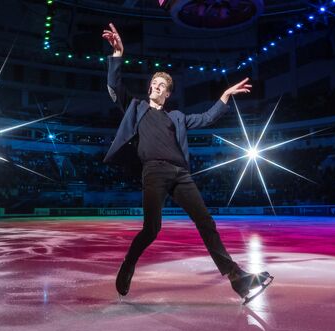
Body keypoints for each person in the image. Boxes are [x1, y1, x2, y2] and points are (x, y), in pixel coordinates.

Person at [102, 23, 273, 305]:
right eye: (153, 84)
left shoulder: (177, 117)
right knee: (152, 229)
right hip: (153, 171)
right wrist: (118, 55)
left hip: (181, 174)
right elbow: (114, 87)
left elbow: (206, 118)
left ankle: (237, 278)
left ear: (168, 93)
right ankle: (129, 263)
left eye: (160, 86)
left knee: (206, 222)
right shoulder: (136, 108)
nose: (154, 87)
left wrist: (225, 96)